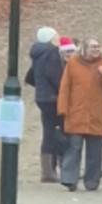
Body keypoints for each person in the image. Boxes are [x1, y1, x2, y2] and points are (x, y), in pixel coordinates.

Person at [56, 38, 102, 191]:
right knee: (73, 147)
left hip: (96, 113)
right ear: (85, 48)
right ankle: (69, 179)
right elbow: (65, 87)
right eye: (93, 47)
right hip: (76, 112)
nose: (96, 50)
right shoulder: (73, 62)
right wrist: (62, 109)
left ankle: (92, 181)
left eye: (98, 46)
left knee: (95, 151)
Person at [26, 27, 66, 183]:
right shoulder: (52, 52)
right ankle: (56, 169)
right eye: (56, 36)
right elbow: (54, 75)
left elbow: (30, 76)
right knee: (59, 132)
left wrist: (41, 87)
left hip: (42, 97)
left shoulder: (38, 53)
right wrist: (61, 88)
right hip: (53, 98)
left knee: (48, 132)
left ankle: (47, 169)